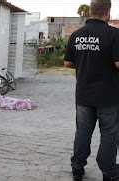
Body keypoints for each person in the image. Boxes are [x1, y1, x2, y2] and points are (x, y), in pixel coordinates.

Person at [64, 0, 119, 180]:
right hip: (108, 97)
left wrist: (85, 63)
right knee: (109, 134)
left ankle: (77, 167)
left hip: (83, 95)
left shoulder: (77, 35)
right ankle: (108, 171)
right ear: (108, 12)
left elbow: (67, 63)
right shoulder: (114, 35)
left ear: (90, 11)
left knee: (82, 132)